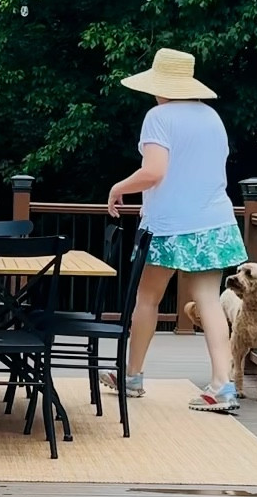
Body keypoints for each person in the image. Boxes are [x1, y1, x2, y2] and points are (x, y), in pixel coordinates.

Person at [105, 46, 247, 413]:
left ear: (160, 84)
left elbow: (154, 172)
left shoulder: (158, 116)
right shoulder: (212, 117)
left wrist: (119, 187)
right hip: (214, 221)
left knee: (148, 298)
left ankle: (132, 376)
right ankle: (222, 384)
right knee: (210, 301)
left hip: (169, 225)